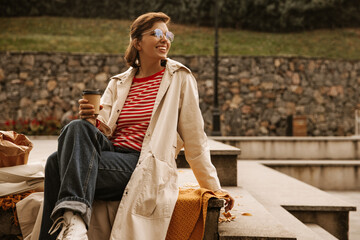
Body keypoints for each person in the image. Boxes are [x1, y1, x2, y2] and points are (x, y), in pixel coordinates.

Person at [39, 12, 234, 240]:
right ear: (137, 42)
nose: (165, 39)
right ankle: (75, 221)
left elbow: (195, 139)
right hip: (110, 154)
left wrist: (214, 187)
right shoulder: (118, 82)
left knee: (55, 164)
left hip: (141, 161)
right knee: (76, 128)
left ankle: (71, 222)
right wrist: (92, 121)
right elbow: (104, 129)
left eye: (167, 34)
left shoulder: (180, 78)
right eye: (156, 33)